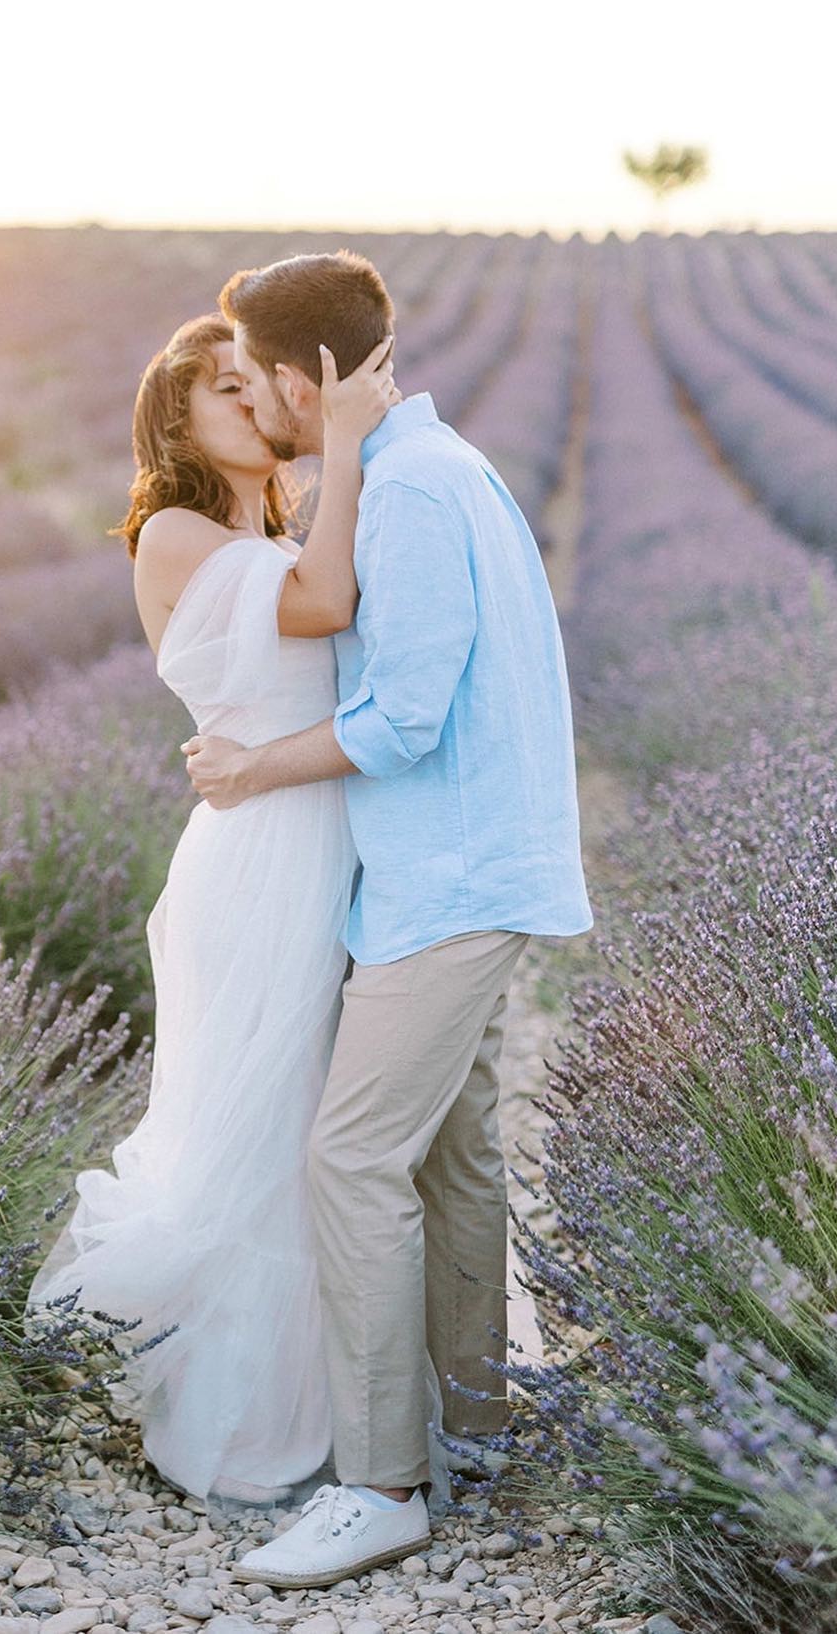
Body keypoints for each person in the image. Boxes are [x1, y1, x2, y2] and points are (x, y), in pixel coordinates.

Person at [180, 251, 594, 1589]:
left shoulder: (410, 492)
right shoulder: (439, 467)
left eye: (258, 381)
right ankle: (473, 1421)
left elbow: (404, 718)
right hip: (458, 867)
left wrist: (254, 765)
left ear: (312, 376)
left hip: (448, 876)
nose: (255, 405)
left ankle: (381, 1484)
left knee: (350, 1157)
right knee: (453, 1154)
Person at [24, 310, 402, 1522]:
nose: (255, 402)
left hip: (319, 836)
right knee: (267, 1120)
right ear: (176, 419)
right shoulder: (177, 530)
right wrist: (345, 444)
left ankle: (351, 1401)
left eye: (259, 384)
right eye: (226, 389)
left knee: (318, 1119)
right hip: (259, 860)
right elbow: (330, 599)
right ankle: (249, 1425)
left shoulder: (267, 521)